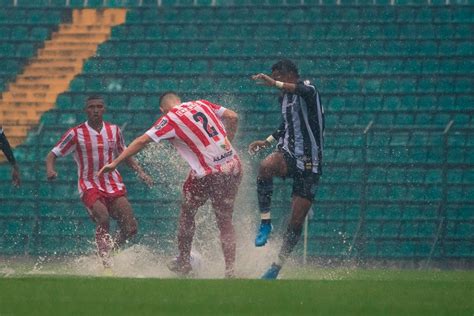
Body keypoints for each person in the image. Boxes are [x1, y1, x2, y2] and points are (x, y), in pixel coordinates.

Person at [98, 92, 242, 278]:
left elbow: (142, 140)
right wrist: (227, 142)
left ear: (162, 109)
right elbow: (233, 116)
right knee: (225, 221)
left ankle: (183, 261)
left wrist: (115, 162)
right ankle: (230, 271)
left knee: (187, 211)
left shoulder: (170, 118)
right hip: (233, 165)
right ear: (179, 101)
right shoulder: (201, 104)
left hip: (209, 173)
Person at [45, 95, 153, 268]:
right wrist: (50, 169)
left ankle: (110, 252)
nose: (95, 110)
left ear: (104, 109)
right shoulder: (76, 133)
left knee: (131, 227)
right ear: (85, 110)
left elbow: (125, 154)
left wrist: (141, 172)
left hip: (113, 183)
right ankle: (106, 262)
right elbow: (52, 154)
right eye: (91, 107)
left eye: (99, 106)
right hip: (89, 185)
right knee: (103, 217)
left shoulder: (114, 131)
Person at [248, 59, 325, 279]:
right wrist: (267, 141)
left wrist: (275, 84)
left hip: (311, 162)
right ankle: (265, 223)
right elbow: (286, 125)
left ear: (290, 74)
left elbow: (302, 90)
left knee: (296, 219)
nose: (275, 81)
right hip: (289, 154)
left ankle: (276, 266)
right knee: (265, 166)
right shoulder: (284, 98)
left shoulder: (308, 88)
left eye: (278, 76)